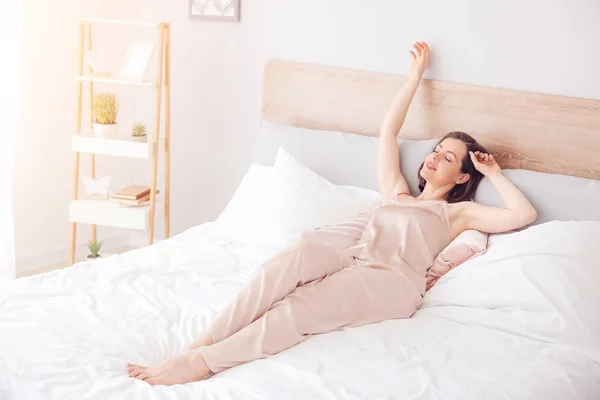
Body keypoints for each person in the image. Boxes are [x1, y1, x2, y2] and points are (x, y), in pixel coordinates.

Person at [126, 41, 537, 386]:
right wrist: (413, 79)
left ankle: (201, 364)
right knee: (284, 264)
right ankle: (202, 341)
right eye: (435, 149)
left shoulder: (457, 214)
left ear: (462, 173)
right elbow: (388, 133)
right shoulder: (397, 192)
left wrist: (493, 172)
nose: (433, 158)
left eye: (447, 157)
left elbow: (522, 214)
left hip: (389, 281)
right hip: (352, 251)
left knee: (301, 307)